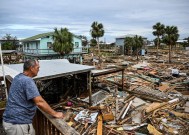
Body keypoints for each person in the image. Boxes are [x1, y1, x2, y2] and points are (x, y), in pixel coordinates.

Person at [3, 59, 64, 135]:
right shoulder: (27, 81)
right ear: (31, 68)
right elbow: (39, 102)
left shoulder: (18, 77)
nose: (39, 70)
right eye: (38, 67)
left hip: (13, 121)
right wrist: (55, 113)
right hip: (18, 123)